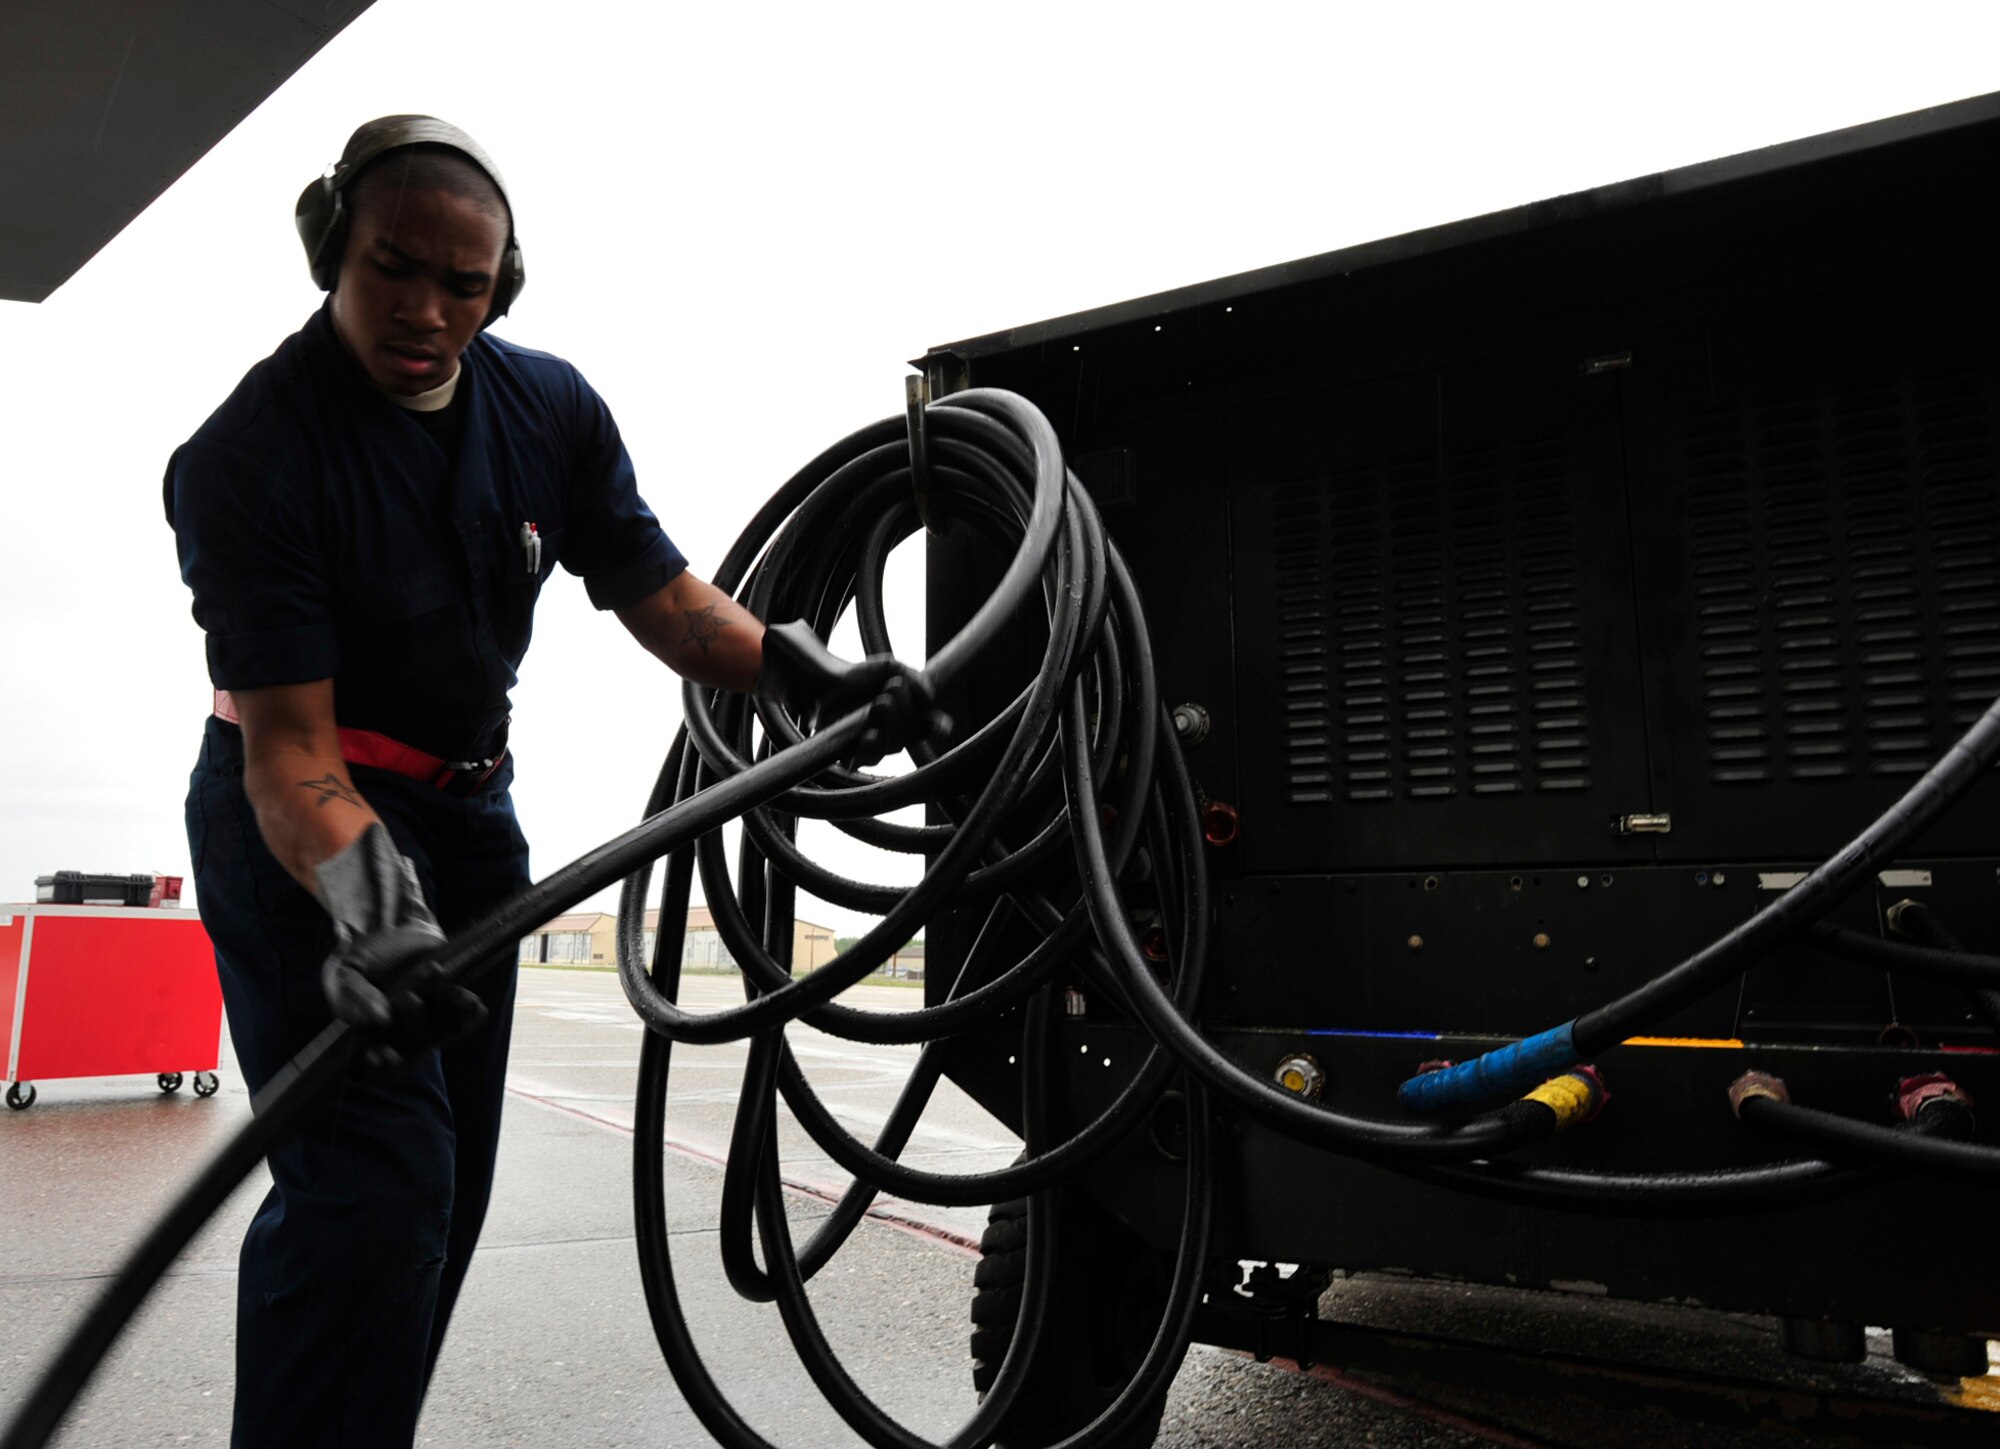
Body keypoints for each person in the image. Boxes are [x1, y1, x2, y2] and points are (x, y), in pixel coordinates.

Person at [165, 115, 929, 1448]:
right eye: (393, 267)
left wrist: (808, 675)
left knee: (439, 1203)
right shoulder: (251, 454)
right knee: (374, 1188)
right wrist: (367, 901)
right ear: (331, 250)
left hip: (470, 826)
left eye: (464, 285)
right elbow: (289, 749)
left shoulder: (547, 408)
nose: (425, 310)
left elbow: (674, 603)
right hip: (302, 835)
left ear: (500, 288)